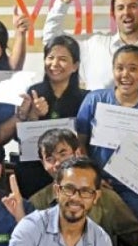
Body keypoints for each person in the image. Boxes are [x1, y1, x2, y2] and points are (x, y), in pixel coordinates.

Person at [28, 128, 138, 246]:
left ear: (78, 153)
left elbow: (137, 239)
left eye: (63, 154)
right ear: (43, 163)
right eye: (50, 159)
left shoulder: (106, 197)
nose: (58, 163)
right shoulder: (37, 202)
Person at [75, 44, 138, 222]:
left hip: (135, 187)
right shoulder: (95, 100)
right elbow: (79, 142)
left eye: (133, 69)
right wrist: (93, 178)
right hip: (97, 185)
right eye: (120, 68)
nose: (125, 75)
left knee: (134, 234)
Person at [13, 35, 88, 197]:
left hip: (71, 174)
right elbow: (20, 140)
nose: (54, 64)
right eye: (50, 58)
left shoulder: (85, 99)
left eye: (62, 59)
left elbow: (86, 142)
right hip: (34, 171)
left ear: (75, 66)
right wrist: (31, 116)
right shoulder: (33, 92)